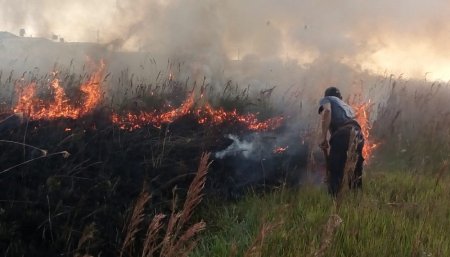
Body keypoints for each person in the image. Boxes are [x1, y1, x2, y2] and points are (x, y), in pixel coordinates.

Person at [318, 87, 364, 196]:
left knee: (335, 169)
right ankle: (356, 199)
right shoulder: (347, 107)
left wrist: (323, 137)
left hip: (343, 133)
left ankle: (334, 200)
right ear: (341, 98)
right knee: (355, 169)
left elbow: (327, 111)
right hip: (358, 134)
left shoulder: (327, 99)